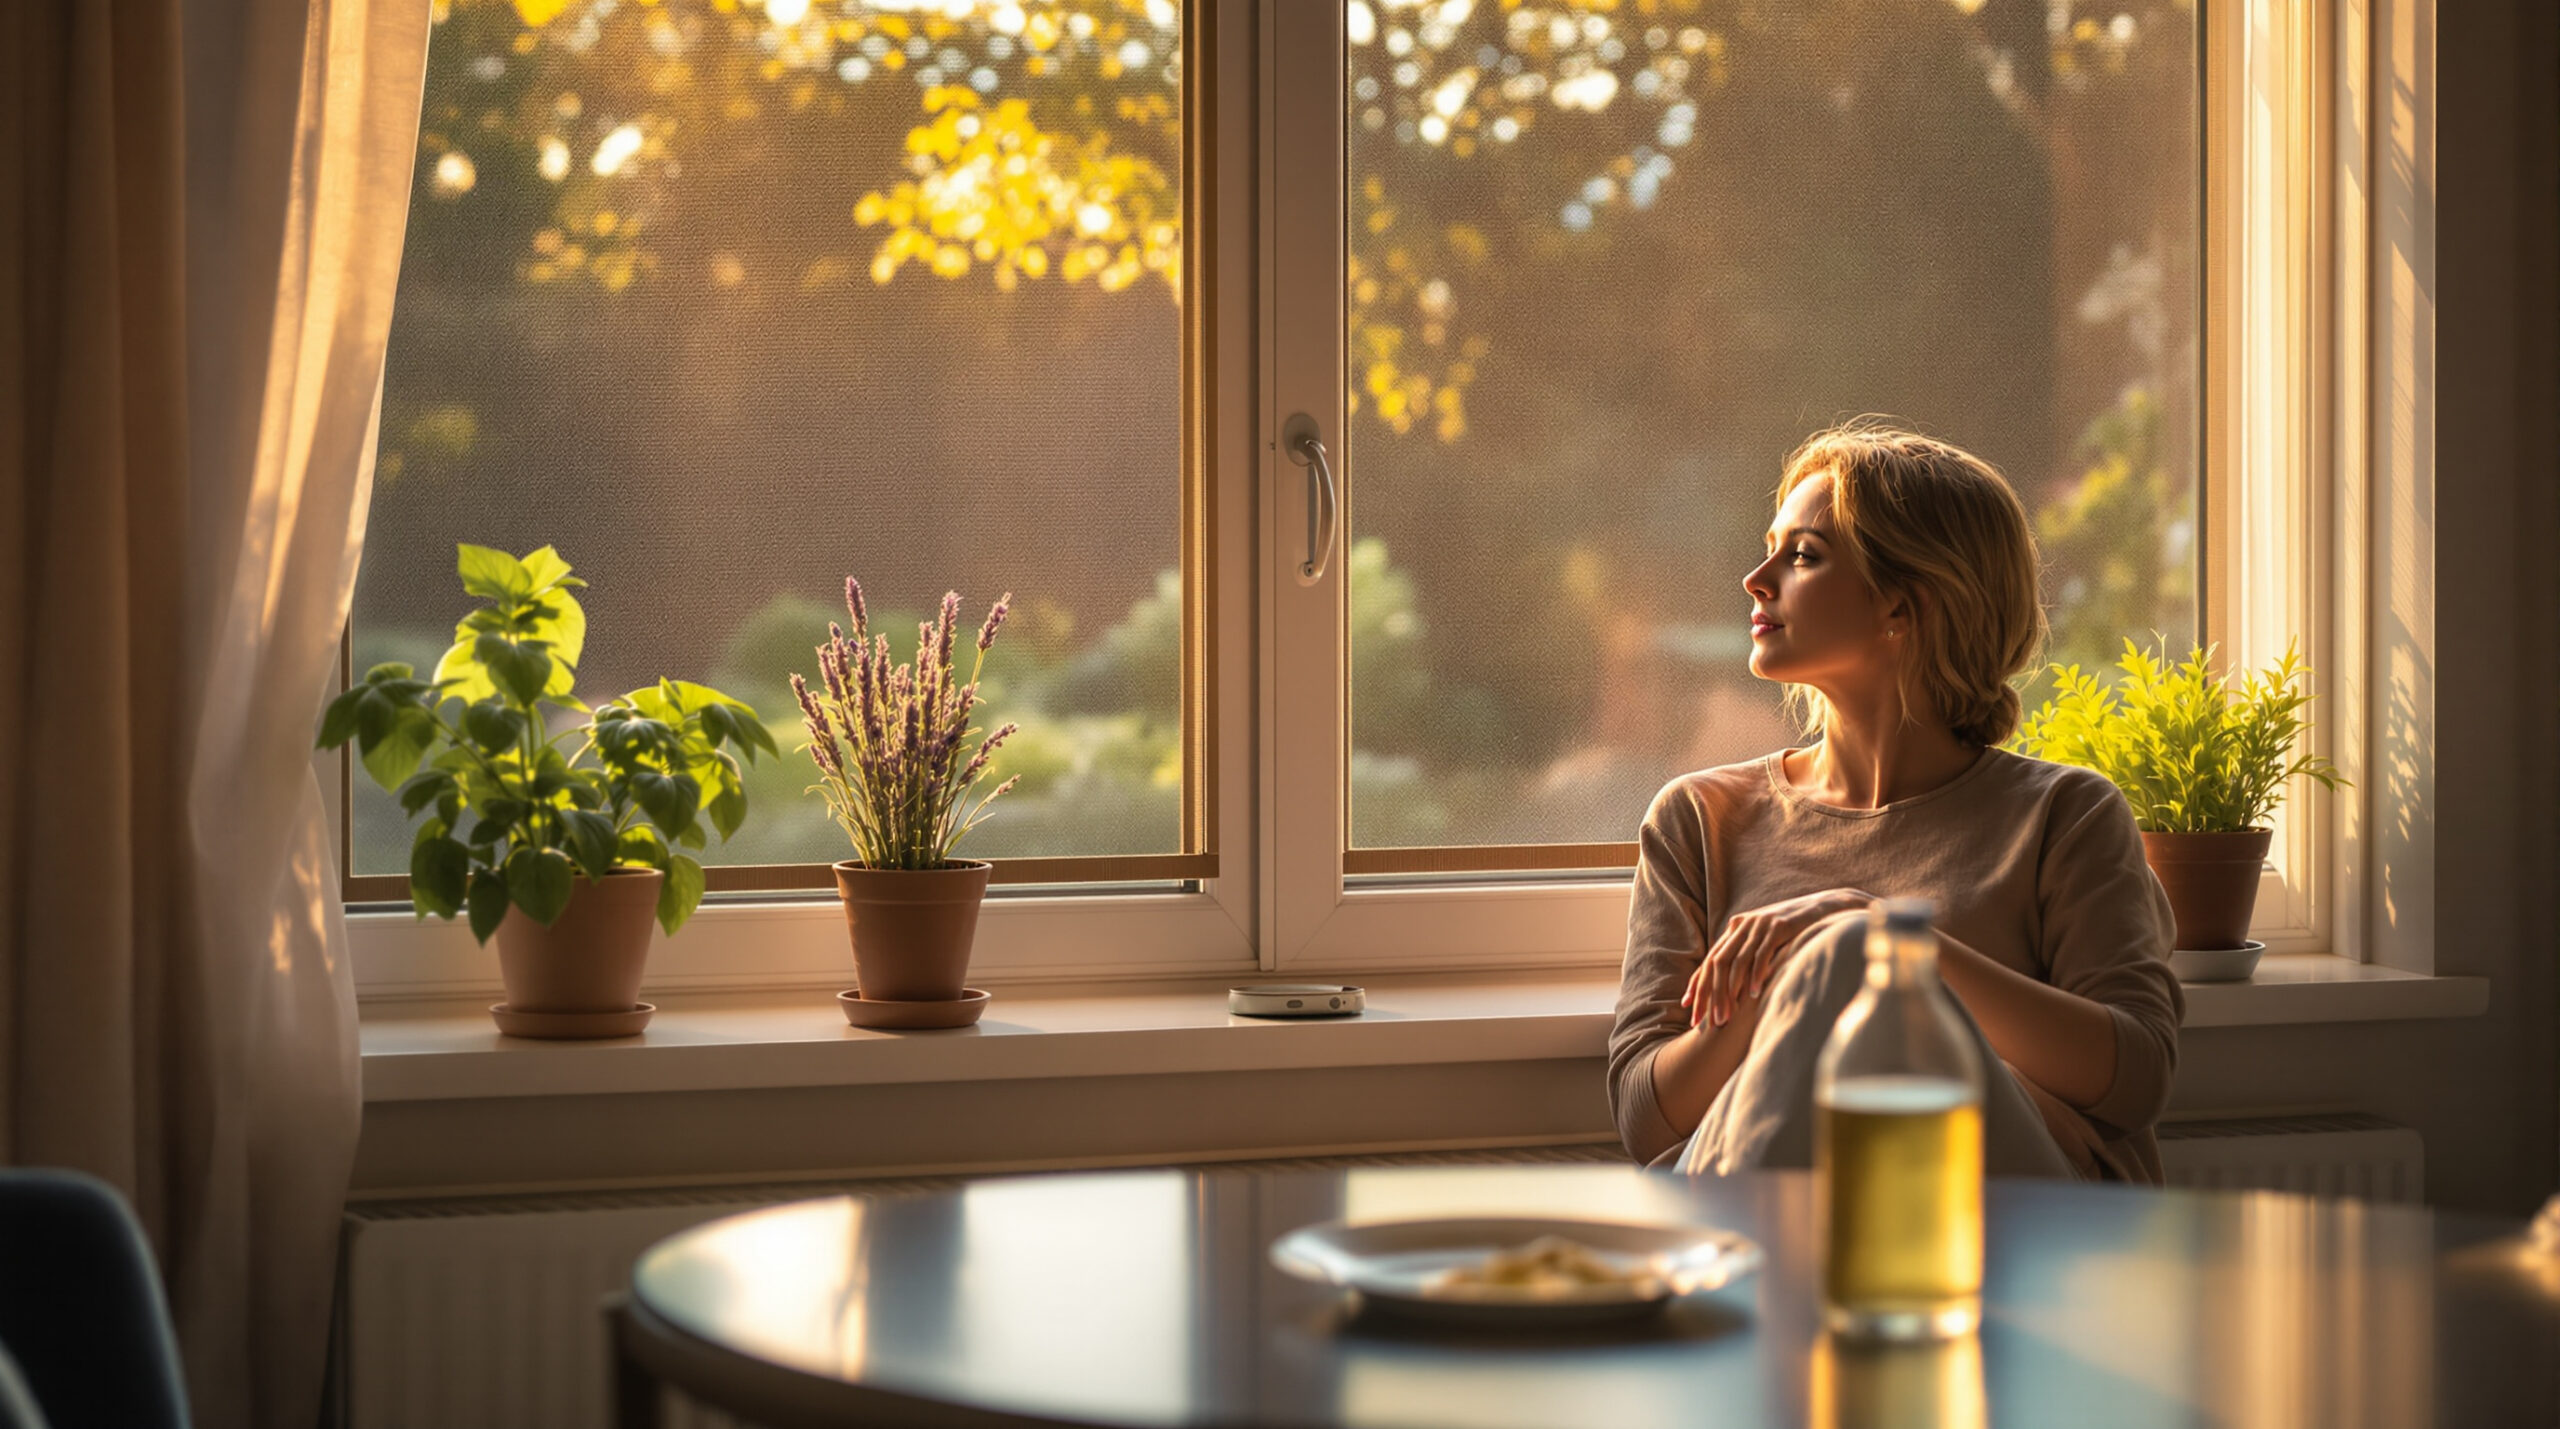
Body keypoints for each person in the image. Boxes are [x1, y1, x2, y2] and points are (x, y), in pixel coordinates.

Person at [1607, 423, 2183, 1183]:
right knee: (1839, 959)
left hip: (2010, 1224)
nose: (1757, 577)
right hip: (1777, 1204)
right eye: (1771, 546)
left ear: (1902, 609)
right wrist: (1787, 985)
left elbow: (2139, 1077)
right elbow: (1646, 1120)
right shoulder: (1698, 819)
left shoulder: (2065, 816)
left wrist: (1882, 938)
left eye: (1803, 555)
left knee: (1852, 951)